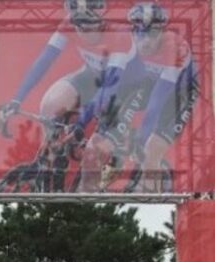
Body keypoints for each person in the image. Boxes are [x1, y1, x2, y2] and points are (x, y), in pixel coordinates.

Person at [74, 2, 197, 192]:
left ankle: (151, 195)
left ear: (162, 32)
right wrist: (81, 122)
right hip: (145, 85)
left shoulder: (175, 47)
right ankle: (85, 194)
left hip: (177, 94)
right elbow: (109, 88)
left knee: (149, 152)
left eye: (153, 34)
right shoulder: (123, 38)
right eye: (140, 33)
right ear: (133, 31)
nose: (146, 41)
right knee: (94, 149)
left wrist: (141, 139)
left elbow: (158, 100)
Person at [0, 0, 133, 146]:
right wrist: (16, 100)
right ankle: (49, 150)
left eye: (90, 28)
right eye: (80, 28)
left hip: (125, 88)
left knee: (100, 146)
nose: (85, 34)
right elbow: (44, 60)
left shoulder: (118, 34)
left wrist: (81, 122)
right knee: (50, 105)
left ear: (102, 22)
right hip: (92, 76)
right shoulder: (68, 24)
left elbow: (109, 87)